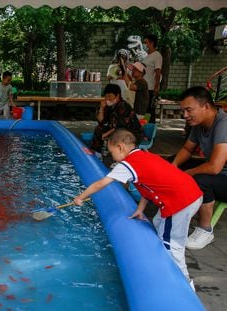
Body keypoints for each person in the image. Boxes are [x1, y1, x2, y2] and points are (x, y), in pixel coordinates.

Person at [74, 129, 203, 287]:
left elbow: (101, 183)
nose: (112, 156)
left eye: (112, 152)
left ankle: (183, 285)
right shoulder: (143, 155)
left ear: (120, 147)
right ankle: (160, 261)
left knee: (172, 244)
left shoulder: (128, 164)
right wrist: (140, 209)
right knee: (157, 222)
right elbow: (148, 186)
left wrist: (81, 197)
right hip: (192, 194)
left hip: (179, 203)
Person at [172, 86, 227, 250]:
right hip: (221, 175)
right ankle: (173, 209)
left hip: (223, 176)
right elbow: (187, 149)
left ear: (207, 107)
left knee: (201, 179)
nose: (185, 115)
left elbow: (215, 167)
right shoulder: (199, 125)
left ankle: (205, 230)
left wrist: (187, 174)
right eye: (183, 111)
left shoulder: (223, 125)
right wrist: (173, 167)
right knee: (173, 163)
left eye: (189, 110)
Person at [90, 83, 142, 157]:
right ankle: (97, 154)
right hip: (117, 129)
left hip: (131, 132)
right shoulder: (109, 106)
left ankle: (115, 157)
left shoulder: (123, 106)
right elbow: (101, 121)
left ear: (117, 96)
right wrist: (101, 108)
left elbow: (120, 127)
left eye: (110, 96)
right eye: (106, 96)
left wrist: (106, 134)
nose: (107, 99)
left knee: (108, 135)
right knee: (98, 129)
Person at [143, 34, 162, 124]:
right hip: (144, 88)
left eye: (146, 42)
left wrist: (156, 87)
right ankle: (145, 128)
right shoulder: (147, 56)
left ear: (152, 43)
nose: (145, 45)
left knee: (149, 111)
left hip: (150, 88)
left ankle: (150, 130)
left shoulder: (157, 55)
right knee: (145, 111)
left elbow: (158, 72)